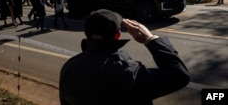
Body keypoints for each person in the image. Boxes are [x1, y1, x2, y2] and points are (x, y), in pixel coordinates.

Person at [59, 9, 191, 105]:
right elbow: (179, 76)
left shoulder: (69, 67)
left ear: (87, 34)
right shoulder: (128, 73)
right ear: (117, 36)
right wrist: (151, 39)